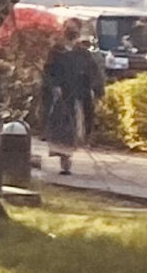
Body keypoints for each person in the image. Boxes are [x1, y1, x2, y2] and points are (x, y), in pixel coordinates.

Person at [41, 24, 104, 175]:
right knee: (63, 127)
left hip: (78, 97)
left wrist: (95, 90)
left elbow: (92, 73)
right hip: (63, 97)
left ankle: (67, 156)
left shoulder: (82, 54)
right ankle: (64, 157)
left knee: (74, 128)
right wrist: (54, 87)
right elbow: (49, 73)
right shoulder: (57, 53)